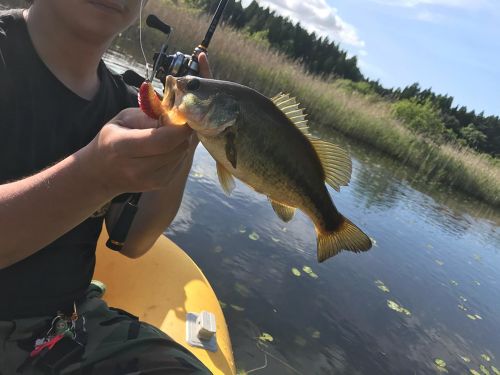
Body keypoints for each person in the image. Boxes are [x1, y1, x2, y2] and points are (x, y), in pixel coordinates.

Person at [0, 0, 212, 373]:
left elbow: (134, 240)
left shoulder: (125, 102)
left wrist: (183, 135)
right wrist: (93, 176)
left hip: (66, 329)